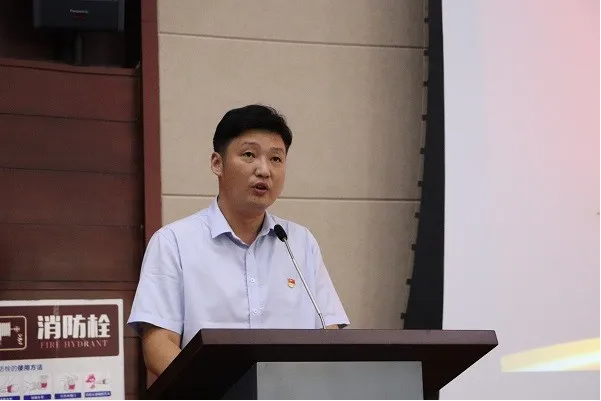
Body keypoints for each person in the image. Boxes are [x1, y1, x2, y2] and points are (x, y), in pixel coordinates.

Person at [127, 104, 349, 376]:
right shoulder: (174, 242)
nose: (264, 170)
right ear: (217, 163)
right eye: (249, 155)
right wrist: (214, 391)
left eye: (276, 159)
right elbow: (158, 345)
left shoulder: (299, 243)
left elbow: (329, 332)